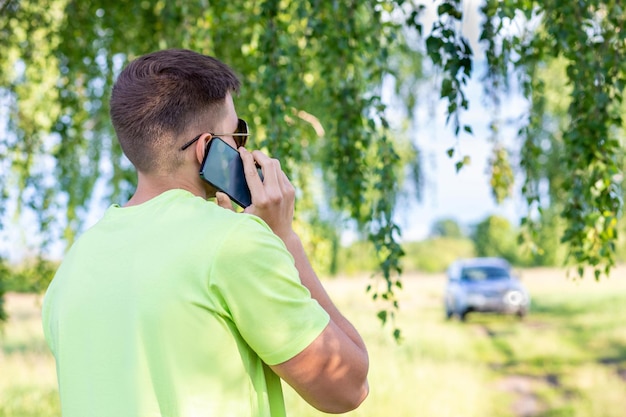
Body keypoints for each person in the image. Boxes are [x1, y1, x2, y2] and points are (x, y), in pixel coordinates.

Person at [42, 49, 369, 417]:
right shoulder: (236, 245)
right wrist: (284, 239)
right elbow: (347, 387)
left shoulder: (73, 265)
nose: (243, 147)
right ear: (206, 149)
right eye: (237, 134)